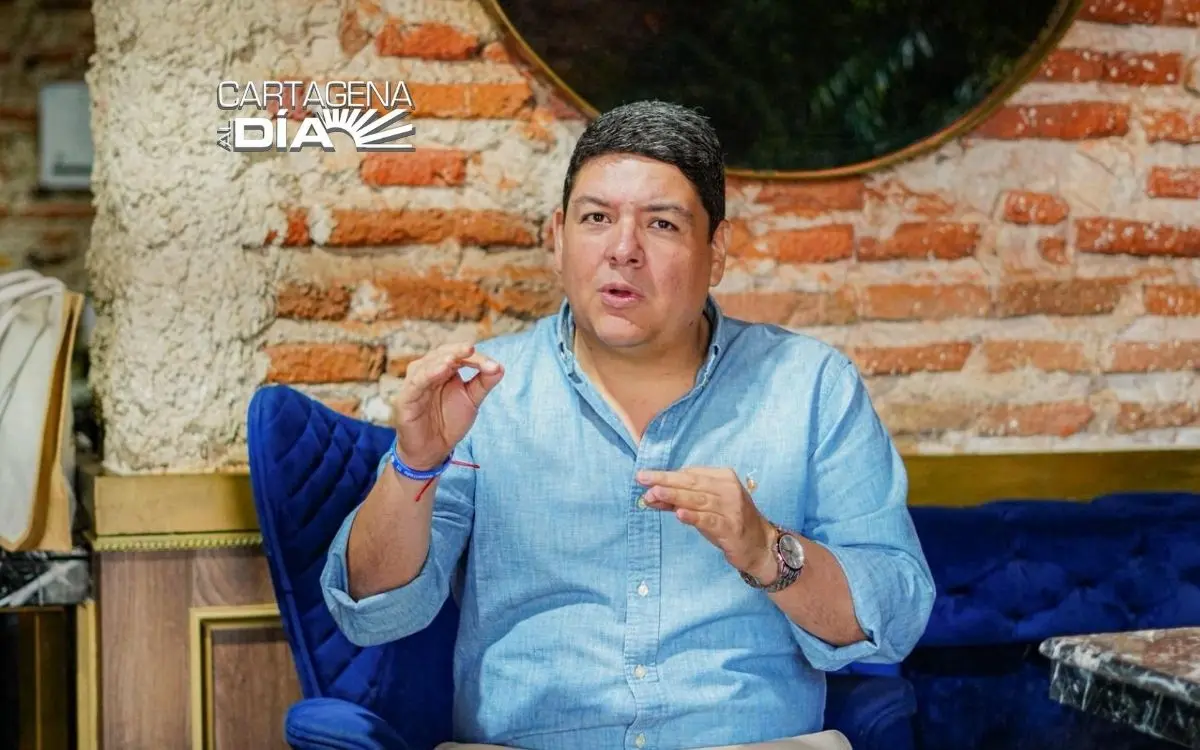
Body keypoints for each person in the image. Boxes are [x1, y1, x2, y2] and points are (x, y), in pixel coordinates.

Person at [321, 99, 935, 750]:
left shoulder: (810, 386)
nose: (623, 250)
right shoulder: (481, 391)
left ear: (717, 252)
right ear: (558, 237)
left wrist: (768, 551)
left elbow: (894, 617)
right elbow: (374, 614)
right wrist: (413, 466)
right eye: (596, 218)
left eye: (662, 224)